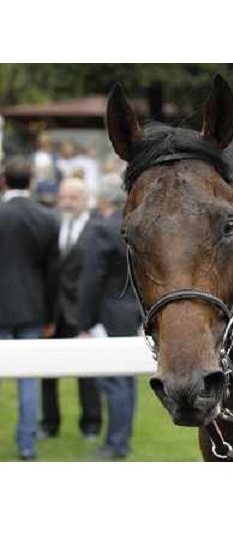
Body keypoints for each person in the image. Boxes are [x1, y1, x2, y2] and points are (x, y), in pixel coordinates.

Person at [78, 174, 142, 459]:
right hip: (133, 311)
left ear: (104, 200)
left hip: (109, 312)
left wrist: (84, 321)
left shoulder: (104, 229)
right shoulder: (138, 226)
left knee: (114, 382)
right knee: (126, 381)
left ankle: (116, 443)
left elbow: (91, 280)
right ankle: (121, 439)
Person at [0, 157, 59, 460]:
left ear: (4, 181)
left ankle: (25, 443)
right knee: (28, 381)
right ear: (31, 181)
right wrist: (51, 316)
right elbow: (53, 275)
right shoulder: (47, 218)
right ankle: (26, 445)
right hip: (33, 308)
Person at [40, 177, 102, 440]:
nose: (66, 202)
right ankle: (49, 423)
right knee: (47, 373)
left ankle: (90, 424)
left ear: (85, 199)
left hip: (82, 313)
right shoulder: (51, 225)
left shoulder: (96, 229)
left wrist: (92, 319)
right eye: (63, 196)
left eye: (72, 197)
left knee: (87, 374)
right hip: (52, 313)